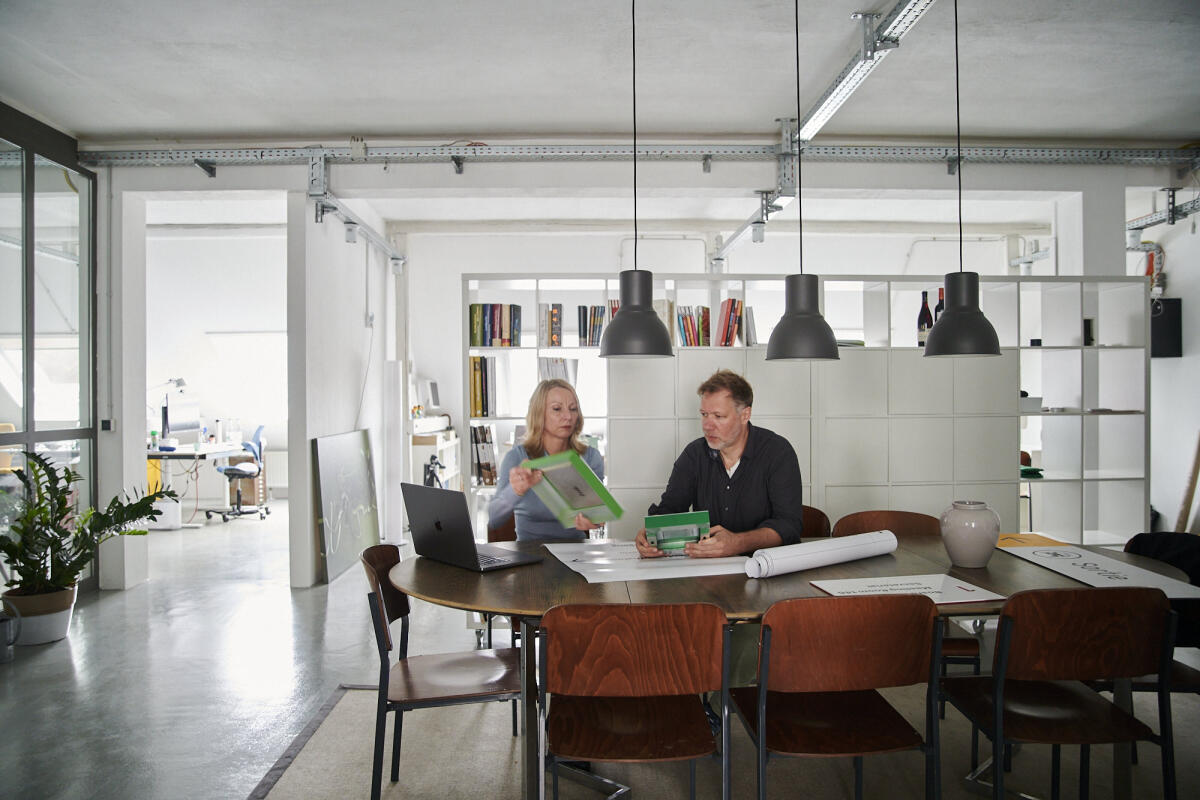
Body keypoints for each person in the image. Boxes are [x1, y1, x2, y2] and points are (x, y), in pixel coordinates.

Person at [635, 369, 804, 558]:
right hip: (706, 569)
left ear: (745, 415)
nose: (707, 425)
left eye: (718, 416)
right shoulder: (694, 454)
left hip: (765, 566)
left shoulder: (778, 452)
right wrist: (651, 533)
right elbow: (670, 508)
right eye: (704, 414)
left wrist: (737, 543)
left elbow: (789, 525)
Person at [488, 379, 605, 542]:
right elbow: (494, 520)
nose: (568, 416)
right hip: (529, 551)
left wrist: (596, 519)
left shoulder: (591, 457)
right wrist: (515, 491)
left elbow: (598, 514)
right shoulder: (517, 457)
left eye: (573, 409)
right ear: (539, 414)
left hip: (576, 551)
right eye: (557, 409)